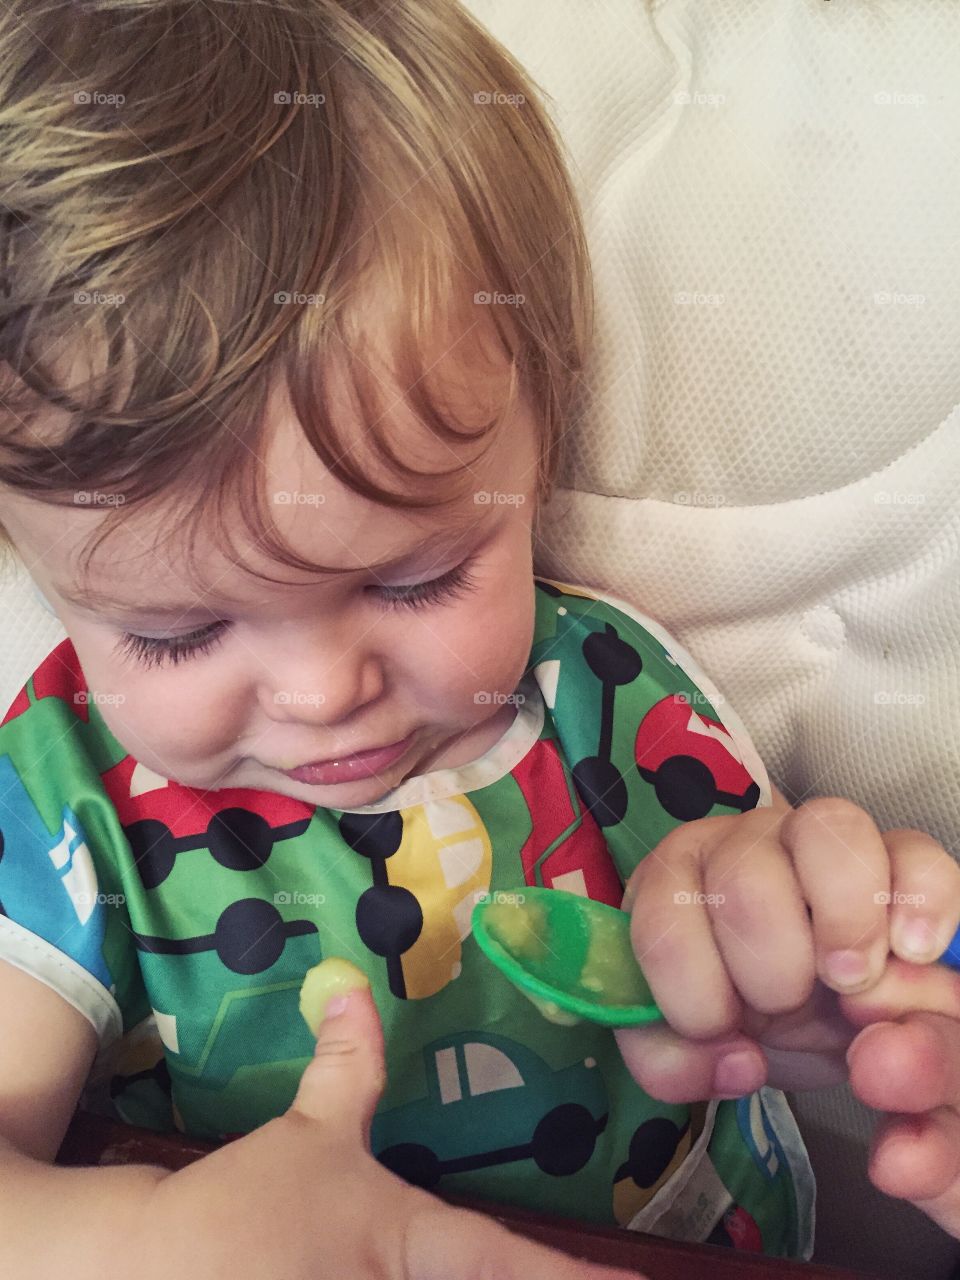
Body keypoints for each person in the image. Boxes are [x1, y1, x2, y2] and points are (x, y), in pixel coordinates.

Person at [0, 0, 958, 1274]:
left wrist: (784, 932)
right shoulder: (61, 792)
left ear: (536, 446)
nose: (321, 688)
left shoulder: (606, 691)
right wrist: (149, 1242)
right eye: (177, 632)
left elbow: (739, 916)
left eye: (418, 579)